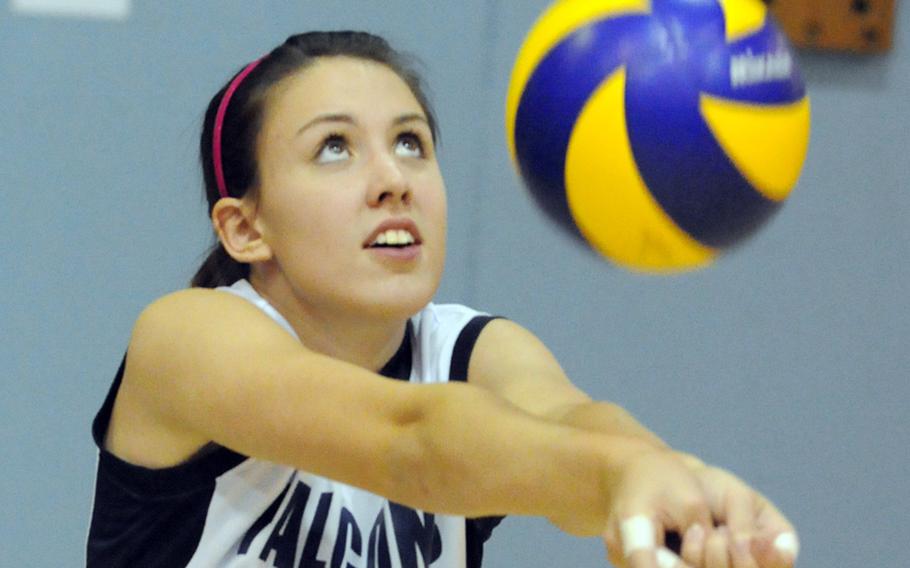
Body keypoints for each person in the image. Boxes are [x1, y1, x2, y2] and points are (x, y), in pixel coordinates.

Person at [86, 31, 799, 568]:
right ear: (246, 228)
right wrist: (618, 473)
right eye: (335, 147)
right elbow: (410, 441)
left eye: (411, 143)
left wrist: (681, 490)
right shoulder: (188, 338)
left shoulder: (472, 348)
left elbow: (571, 422)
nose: (393, 179)